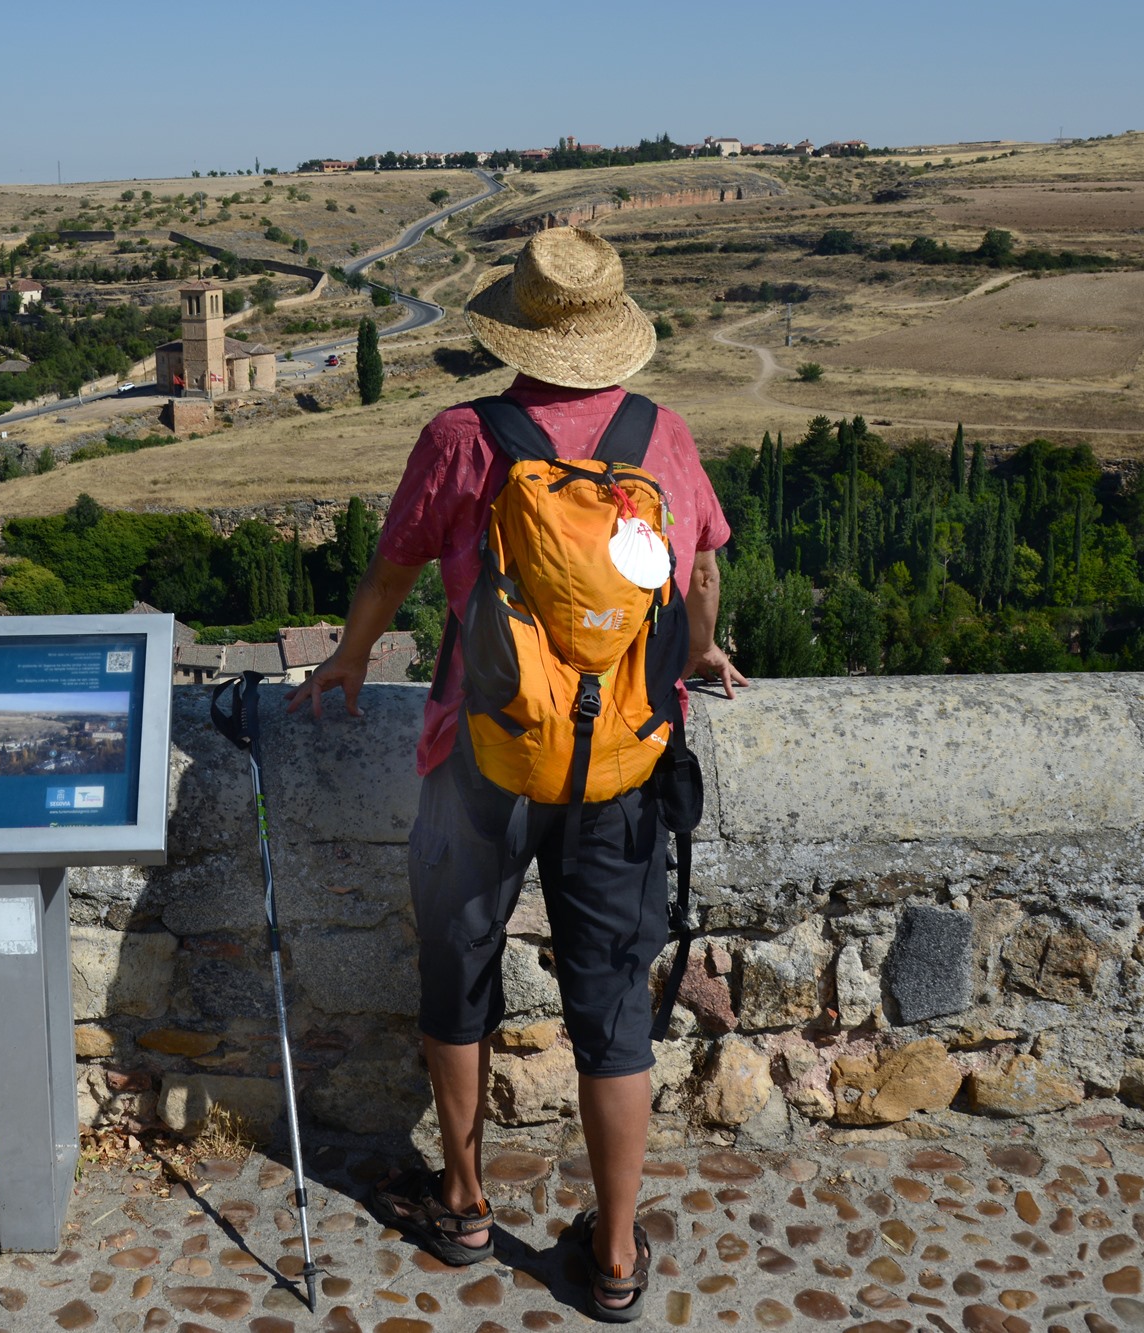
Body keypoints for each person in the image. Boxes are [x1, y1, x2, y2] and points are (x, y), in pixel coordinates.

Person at [287, 227, 746, 1321]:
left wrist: (350, 658)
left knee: (458, 979)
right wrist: (695, 651)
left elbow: (393, 564)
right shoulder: (660, 436)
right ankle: (619, 1254)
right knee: (609, 1008)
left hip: (476, 760)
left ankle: (460, 1199)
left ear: (518, 326)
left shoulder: (461, 436)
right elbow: (701, 572)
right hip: (623, 763)